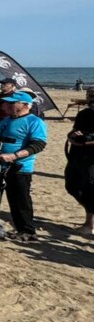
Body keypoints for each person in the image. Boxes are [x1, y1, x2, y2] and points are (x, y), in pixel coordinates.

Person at [0, 91, 47, 241]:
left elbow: (38, 145)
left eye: (11, 103)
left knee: (19, 200)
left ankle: (26, 230)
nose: (6, 106)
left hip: (19, 167)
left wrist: (14, 156)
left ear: (24, 105)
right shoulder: (5, 120)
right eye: (6, 103)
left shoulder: (34, 122)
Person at [65, 88, 94, 236]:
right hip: (76, 156)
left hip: (91, 159)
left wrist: (86, 142)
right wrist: (72, 137)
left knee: (90, 187)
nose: (90, 98)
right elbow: (74, 130)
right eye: (89, 95)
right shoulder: (84, 113)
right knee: (72, 186)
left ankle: (89, 224)